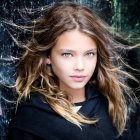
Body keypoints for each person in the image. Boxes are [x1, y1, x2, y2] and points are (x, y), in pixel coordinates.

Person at [7, 1, 137, 140]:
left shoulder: (112, 106)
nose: (80, 66)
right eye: (67, 54)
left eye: (89, 54)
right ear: (47, 56)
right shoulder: (31, 119)